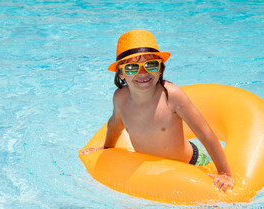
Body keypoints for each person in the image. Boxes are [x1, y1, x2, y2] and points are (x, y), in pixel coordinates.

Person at [80, 30, 234, 192]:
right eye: (132, 67)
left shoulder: (171, 96)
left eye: (150, 65)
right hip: (154, 169)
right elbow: (114, 125)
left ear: (160, 69)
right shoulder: (120, 98)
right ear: (121, 74)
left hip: (191, 162)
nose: (142, 73)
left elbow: (205, 132)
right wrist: (106, 150)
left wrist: (225, 173)